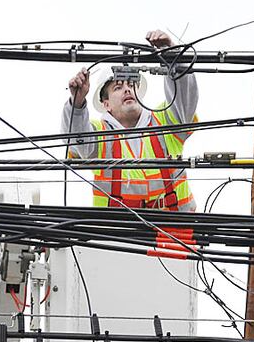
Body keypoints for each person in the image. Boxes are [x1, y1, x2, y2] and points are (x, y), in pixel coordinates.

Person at [61, 29, 198, 212]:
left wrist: (172, 55)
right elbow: (77, 139)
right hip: (119, 235)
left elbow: (184, 98)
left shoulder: (165, 120)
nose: (127, 90)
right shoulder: (99, 134)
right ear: (106, 104)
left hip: (176, 232)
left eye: (131, 84)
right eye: (118, 87)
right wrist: (77, 102)